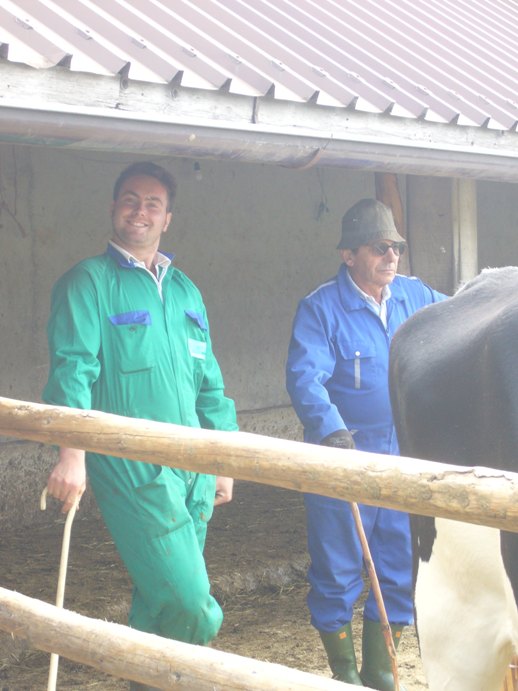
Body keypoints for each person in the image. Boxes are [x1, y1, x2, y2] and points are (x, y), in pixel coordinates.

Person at [42, 161, 238, 690]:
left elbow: (211, 384)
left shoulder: (186, 291)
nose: (140, 211)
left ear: (167, 218)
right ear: (113, 208)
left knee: (157, 604)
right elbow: (73, 370)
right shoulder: (89, 282)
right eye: (130, 200)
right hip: (133, 468)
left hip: (194, 469)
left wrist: (223, 461)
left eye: (153, 204)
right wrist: (72, 455)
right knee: (192, 607)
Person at [285, 198, 446, 690]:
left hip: (401, 457)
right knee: (337, 570)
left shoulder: (416, 297)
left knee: (396, 568)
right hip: (343, 457)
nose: (391, 256)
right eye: (379, 247)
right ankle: (345, 676)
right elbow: (304, 378)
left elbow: (460, 320)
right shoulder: (321, 308)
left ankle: (380, 674)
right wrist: (331, 430)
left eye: (396, 246)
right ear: (348, 254)